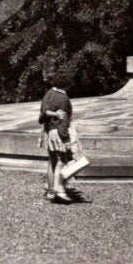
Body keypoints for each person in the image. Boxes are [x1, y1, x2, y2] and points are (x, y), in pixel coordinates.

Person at [37, 71, 91, 204]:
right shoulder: (64, 99)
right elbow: (64, 123)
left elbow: (43, 113)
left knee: (52, 161)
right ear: (68, 84)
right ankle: (59, 188)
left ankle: (51, 191)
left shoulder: (49, 93)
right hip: (59, 133)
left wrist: (52, 114)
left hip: (48, 131)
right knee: (62, 161)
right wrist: (65, 139)